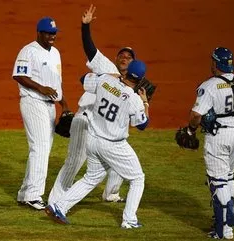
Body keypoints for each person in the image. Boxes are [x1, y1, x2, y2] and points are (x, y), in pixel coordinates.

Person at [48, 4, 136, 205]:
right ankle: (55, 201)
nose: (124, 58)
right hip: (85, 121)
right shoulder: (106, 67)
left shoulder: (132, 89)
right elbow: (89, 50)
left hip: (104, 129)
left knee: (119, 155)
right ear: (115, 59)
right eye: (121, 55)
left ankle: (111, 193)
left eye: (129, 57)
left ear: (133, 64)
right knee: (74, 162)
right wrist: (85, 26)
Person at [45, 60, 150, 229]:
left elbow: (83, 79)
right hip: (113, 145)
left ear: (126, 71)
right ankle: (129, 220)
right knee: (138, 178)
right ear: (141, 79)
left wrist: (113, 78)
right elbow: (142, 125)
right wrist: (145, 102)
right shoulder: (134, 99)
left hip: (93, 140)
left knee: (90, 178)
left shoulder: (105, 80)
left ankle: (59, 206)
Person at [184, 47, 234, 239]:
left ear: (215, 63)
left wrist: (191, 130)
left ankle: (223, 228)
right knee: (228, 176)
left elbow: (196, 115)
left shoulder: (210, 86)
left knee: (217, 181)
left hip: (218, 136)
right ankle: (229, 212)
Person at [12, 17, 70, 210]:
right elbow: (19, 75)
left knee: (43, 148)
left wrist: (64, 103)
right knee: (40, 147)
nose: (52, 36)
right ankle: (33, 195)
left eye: (54, 33)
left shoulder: (55, 53)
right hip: (33, 102)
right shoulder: (28, 51)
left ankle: (25, 193)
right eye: (48, 33)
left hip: (50, 105)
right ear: (39, 33)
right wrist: (40, 88)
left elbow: (56, 82)